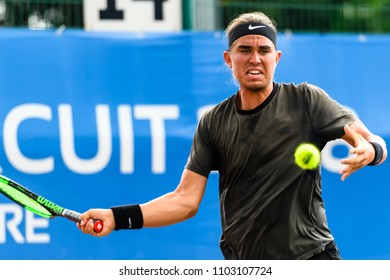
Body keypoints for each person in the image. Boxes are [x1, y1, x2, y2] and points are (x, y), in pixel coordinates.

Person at [78, 11, 387, 260]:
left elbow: (373, 142)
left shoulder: (306, 99)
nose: (255, 59)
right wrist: (117, 218)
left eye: (263, 50)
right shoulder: (213, 122)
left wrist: (369, 151)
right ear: (229, 59)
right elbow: (184, 201)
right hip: (245, 266)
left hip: (309, 260)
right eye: (245, 50)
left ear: (276, 58)